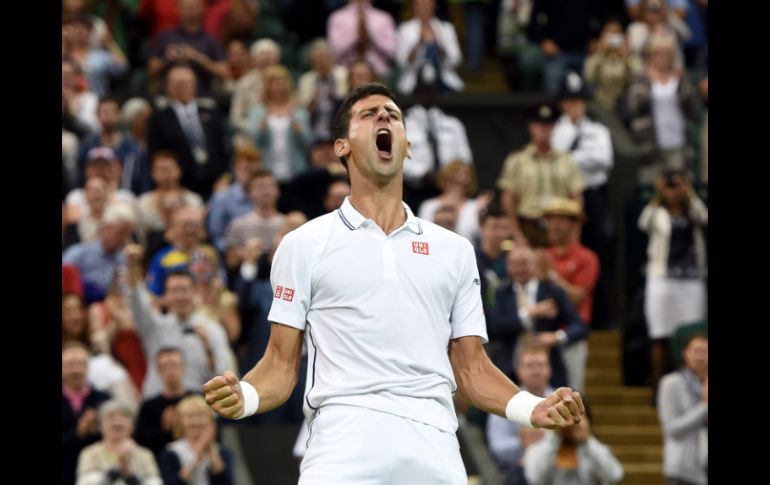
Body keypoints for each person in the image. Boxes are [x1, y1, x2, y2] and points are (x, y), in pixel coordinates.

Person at [203, 84, 584, 484]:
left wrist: (531, 408)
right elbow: (281, 365)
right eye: (368, 115)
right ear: (341, 147)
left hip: (433, 446)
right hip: (340, 445)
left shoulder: (453, 250)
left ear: (407, 146)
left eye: (393, 114)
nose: (384, 117)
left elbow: (472, 369)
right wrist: (243, 397)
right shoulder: (302, 245)